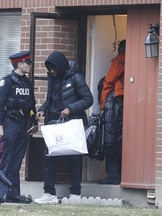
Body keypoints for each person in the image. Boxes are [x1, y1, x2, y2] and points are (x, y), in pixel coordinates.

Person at [34, 51, 93, 204]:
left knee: (74, 158)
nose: (52, 71)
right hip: (53, 124)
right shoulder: (52, 79)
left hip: (71, 124)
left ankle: (75, 193)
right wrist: (42, 109)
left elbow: (88, 99)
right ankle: (49, 193)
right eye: (50, 69)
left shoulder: (76, 78)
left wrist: (70, 109)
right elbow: (51, 99)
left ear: (60, 66)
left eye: (54, 68)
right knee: (49, 159)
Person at [0, 51, 38, 204]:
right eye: (28, 63)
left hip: (22, 124)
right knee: (7, 158)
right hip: (9, 123)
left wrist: (34, 122)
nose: (30, 65)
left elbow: (31, 105)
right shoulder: (6, 82)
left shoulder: (26, 83)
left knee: (17, 160)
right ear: (20, 64)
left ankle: (14, 193)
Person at [98, 39, 126, 185]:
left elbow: (108, 82)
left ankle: (113, 175)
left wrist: (102, 106)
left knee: (111, 139)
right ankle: (123, 174)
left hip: (116, 103)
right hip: (129, 103)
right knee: (123, 139)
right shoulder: (137, 60)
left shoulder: (120, 60)